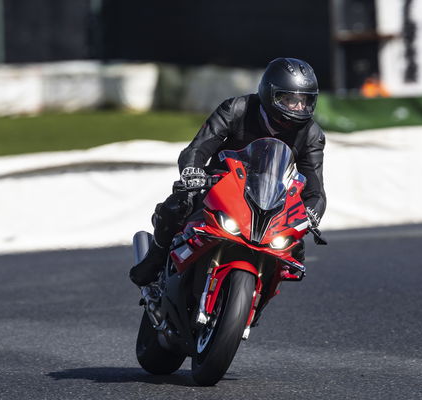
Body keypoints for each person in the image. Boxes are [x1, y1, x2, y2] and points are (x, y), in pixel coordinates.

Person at [129, 57, 327, 287]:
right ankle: (155, 260)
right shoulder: (236, 109)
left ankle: (256, 298)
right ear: (270, 94)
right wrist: (193, 171)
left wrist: (311, 214)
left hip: (271, 201)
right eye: (290, 99)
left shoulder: (312, 134)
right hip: (220, 185)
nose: (299, 107)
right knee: (177, 205)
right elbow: (198, 147)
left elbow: (315, 188)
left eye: (305, 101)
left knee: (295, 249)